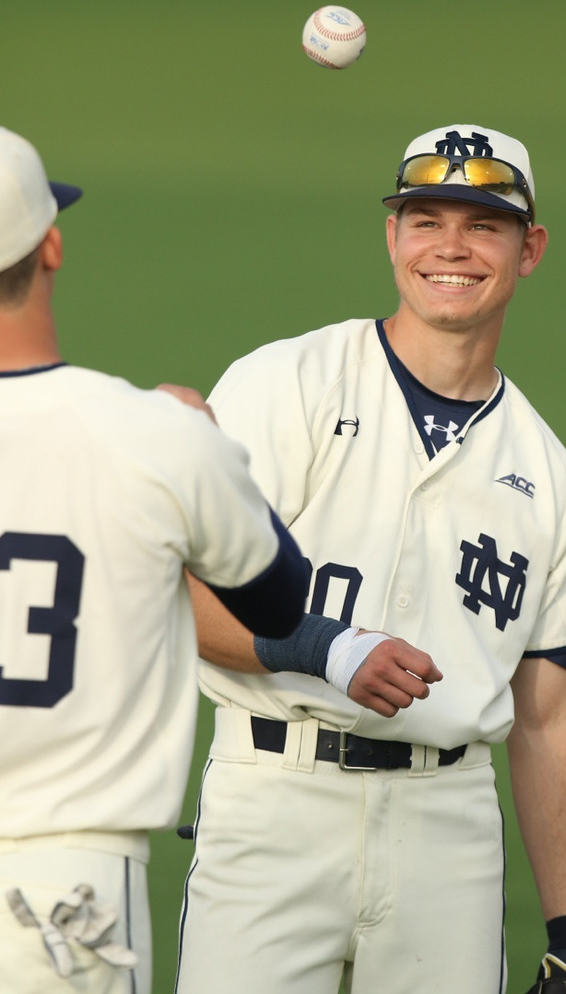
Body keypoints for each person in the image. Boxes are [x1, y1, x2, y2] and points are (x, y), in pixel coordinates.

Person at [174, 123, 566, 994]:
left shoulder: (548, 473)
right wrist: (326, 649)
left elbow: (546, 714)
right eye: (426, 221)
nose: (450, 248)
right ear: (391, 236)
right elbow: (180, 595)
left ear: (529, 249)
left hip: (447, 826)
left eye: (482, 226)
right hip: (273, 800)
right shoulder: (288, 382)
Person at [0, 124, 314, 994]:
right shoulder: (157, 437)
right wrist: (205, 449)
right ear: (51, 246)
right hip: (68, 890)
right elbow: (280, 604)